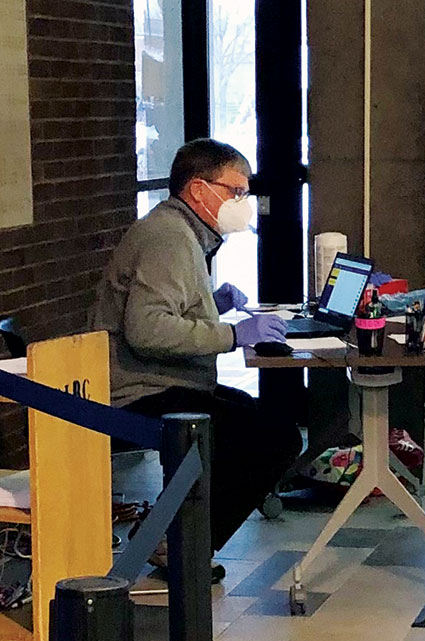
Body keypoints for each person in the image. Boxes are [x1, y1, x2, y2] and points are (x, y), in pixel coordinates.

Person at [90, 139, 303, 576]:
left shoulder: (179, 232)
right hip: (138, 390)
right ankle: (177, 547)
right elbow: (147, 329)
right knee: (273, 440)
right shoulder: (169, 237)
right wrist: (231, 334)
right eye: (235, 191)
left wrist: (213, 304)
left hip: (160, 381)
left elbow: (166, 308)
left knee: (251, 417)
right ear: (199, 189)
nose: (242, 203)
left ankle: (172, 531)